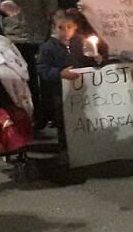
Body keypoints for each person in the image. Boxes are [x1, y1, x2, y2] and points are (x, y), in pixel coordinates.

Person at [36, 9, 100, 146]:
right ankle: (66, 148)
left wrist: (96, 59)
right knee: (64, 120)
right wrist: (59, 73)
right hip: (60, 93)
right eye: (60, 27)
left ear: (75, 27)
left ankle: (87, 146)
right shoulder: (48, 48)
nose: (65, 31)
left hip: (83, 90)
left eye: (69, 27)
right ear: (53, 28)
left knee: (84, 116)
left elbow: (87, 61)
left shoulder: (80, 42)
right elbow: (42, 68)